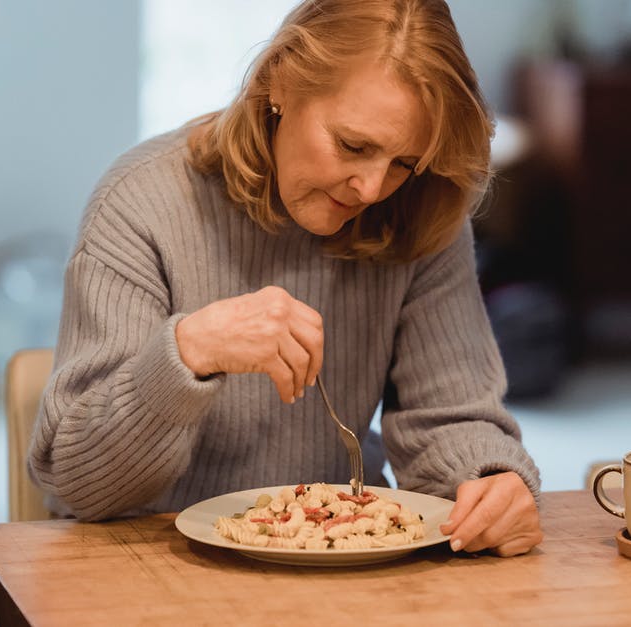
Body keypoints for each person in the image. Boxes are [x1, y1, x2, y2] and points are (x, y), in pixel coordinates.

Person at [28, 0, 543, 557]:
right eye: (353, 145)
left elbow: (451, 419)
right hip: (148, 564)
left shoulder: (421, 212)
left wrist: (489, 482)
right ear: (281, 81)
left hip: (344, 568)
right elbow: (79, 486)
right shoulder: (139, 203)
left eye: (403, 163)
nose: (371, 189)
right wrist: (188, 352)